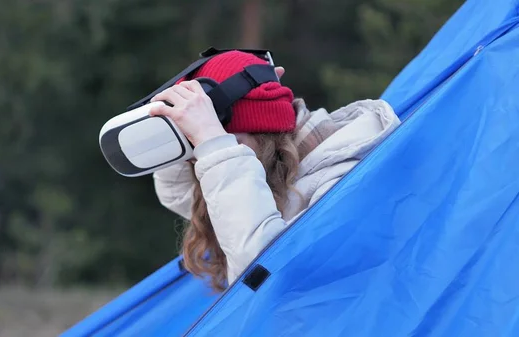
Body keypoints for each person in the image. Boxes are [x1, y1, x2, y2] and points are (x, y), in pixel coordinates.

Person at [148, 50, 401, 292]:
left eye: (230, 143)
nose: (206, 156)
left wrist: (216, 147)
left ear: (264, 131)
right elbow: (177, 193)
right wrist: (180, 129)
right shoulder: (267, 169)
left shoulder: (346, 172)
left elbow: (265, 277)